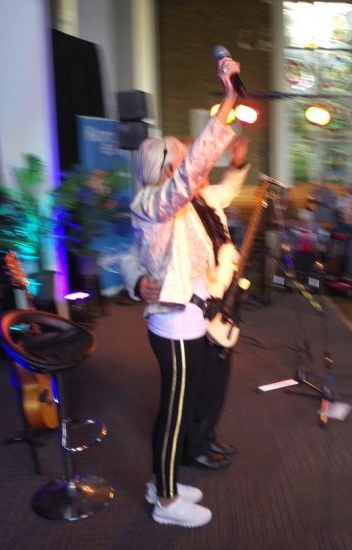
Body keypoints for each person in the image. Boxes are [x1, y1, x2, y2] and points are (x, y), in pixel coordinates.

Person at [127, 55, 247, 528]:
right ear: (163, 168)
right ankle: (166, 501)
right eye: (178, 163)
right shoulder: (150, 202)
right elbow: (189, 177)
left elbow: (162, 252)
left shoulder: (177, 206)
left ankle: (162, 481)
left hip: (191, 320)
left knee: (184, 404)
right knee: (173, 412)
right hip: (173, 325)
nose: (188, 172)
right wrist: (226, 105)